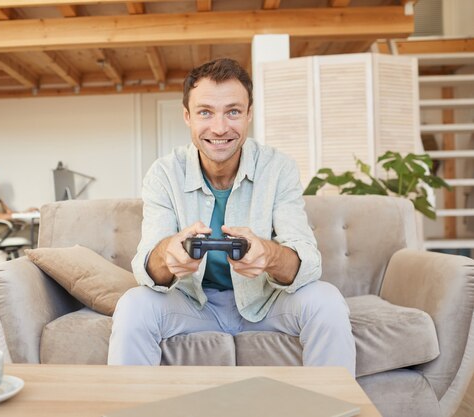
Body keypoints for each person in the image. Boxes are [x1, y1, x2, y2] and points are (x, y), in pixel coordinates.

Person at [107, 58, 356, 377]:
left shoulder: (278, 168)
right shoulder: (164, 173)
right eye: (205, 112)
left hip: (266, 302)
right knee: (133, 305)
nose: (220, 127)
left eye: (233, 112)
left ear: (249, 114)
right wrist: (168, 256)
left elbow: (306, 261)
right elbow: (148, 265)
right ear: (187, 116)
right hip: (193, 304)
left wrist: (268, 255)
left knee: (327, 300)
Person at [0, 171, 38, 241]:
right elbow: (0, 216)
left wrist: (26, 212)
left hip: (12, 229)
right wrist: (23, 214)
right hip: (3, 234)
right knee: (35, 234)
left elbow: (10, 213)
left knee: (37, 227)